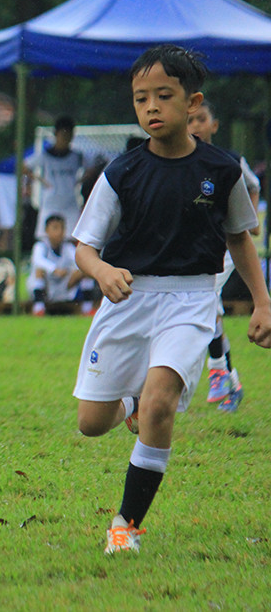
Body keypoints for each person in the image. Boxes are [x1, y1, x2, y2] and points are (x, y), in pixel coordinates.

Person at [72, 45, 271, 555]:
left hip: (191, 300)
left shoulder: (222, 171)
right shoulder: (121, 173)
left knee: (161, 404)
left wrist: (263, 303)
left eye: (165, 95)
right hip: (130, 298)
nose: (152, 107)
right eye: (142, 99)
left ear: (193, 103)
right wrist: (102, 271)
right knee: (91, 424)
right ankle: (130, 401)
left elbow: (240, 239)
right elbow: (85, 248)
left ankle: (127, 523)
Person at [187, 100, 262, 412]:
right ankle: (229, 379)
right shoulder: (182, 161)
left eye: (201, 119)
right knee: (207, 308)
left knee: (207, 303)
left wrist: (250, 221)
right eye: (190, 121)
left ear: (214, 125)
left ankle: (218, 368)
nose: (195, 126)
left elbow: (253, 185)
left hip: (224, 247)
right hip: (194, 247)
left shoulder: (229, 160)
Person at [26, 116, 86, 240]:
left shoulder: (76, 156)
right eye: (63, 135)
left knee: (71, 239)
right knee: (46, 239)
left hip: (69, 203)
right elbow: (24, 166)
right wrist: (40, 180)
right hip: (51, 203)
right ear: (56, 134)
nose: (66, 139)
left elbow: (94, 166)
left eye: (69, 135)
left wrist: (81, 180)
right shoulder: (45, 156)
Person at [29, 215, 83, 316]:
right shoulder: (40, 246)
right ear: (46, 230)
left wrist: (69, 271)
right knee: (39, 270)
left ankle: (86, 307)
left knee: (83, 271)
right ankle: (38, 307)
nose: (59, 232)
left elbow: (79, 262)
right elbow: (38, 260)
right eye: (55, 228)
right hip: (46, 286)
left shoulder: (67, 247)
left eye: (62, 228)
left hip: (63, 285)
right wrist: (54, 270)